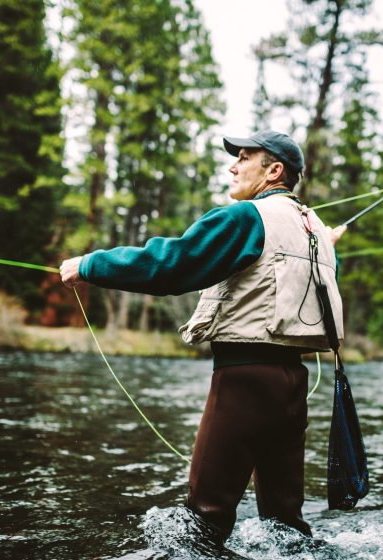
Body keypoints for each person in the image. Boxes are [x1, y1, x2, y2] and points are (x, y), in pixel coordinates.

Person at [60, 130, 346, 543]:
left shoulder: (246, 217)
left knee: (203, 522)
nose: (233, 166)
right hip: (292, 386)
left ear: (274, 171)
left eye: (245, 158)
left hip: (243, 381)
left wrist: (90, 265)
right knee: (286, 526)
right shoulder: (315, 228)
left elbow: (171, 265)